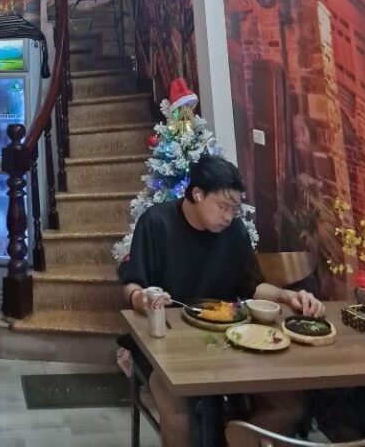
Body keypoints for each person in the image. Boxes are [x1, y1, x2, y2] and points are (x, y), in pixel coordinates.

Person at [118, 154, 325, 447]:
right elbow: (132, 284)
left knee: (290, 405)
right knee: (179, 414)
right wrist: (143, 298)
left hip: (227, 338)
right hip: (164, 343)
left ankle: (234, 440)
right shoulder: (156, 223)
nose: (228, 216)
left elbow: (252, 288)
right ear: (197, 194)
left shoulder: (234, 232)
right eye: (223, 207)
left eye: (234, 208)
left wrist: (287, 296)